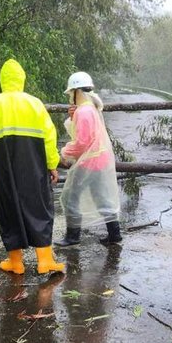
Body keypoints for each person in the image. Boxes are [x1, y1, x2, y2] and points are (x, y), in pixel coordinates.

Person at [0, 58, 64, 275]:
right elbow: (50, 137)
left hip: (1, 166)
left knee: (8, 208)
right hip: (33, 164)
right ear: (22, 79)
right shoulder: (34, 103)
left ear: (2, 80)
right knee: (39, 205)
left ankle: (15, 263)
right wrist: (52, 165)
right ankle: (44, 261)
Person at [55, 71, 122, 246]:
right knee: (101, 197)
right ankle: (115, 234)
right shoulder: (90, 109)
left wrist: (64, 151)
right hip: (100, 160)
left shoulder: (84, 111)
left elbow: (82, 142)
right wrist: (72, 117)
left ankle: (72, 236)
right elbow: (85, 135)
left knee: (70, 197)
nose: (70, 96)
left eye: (71, 93)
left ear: (77, 91)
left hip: (89, 162)